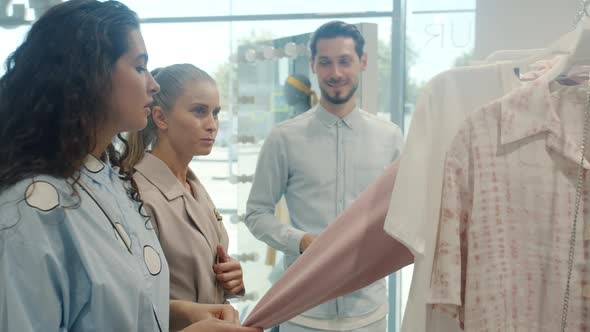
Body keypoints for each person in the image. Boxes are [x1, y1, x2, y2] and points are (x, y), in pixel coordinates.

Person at [0, 1, 259, 331]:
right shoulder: (27, 208)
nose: (153, 84)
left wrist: (181, 313)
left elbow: (119, 305)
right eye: (140, 68)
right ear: (88, 74)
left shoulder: (110, 178)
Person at [244, 20, 404, 332]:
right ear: (313, 65)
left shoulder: (391, 138)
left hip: (369, 315)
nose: (335, 73)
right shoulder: (284, 138)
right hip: (302, 314)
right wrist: (300, 241)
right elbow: (256, 213)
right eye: (326, 62)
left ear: (363, 62)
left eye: (345, 61)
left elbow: (406, 214)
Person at [120, 64, 245, 305]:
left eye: (215, 113)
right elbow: (131, 302)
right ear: (160, 118)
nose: (212, 124)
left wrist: (233, 281)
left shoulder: (194, 187)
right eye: (199, 111)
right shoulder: (137, 195)